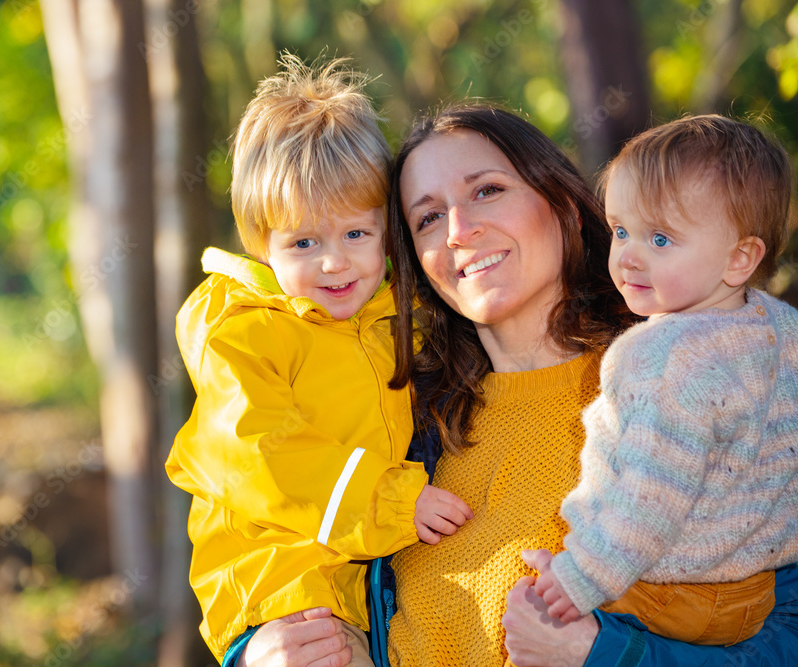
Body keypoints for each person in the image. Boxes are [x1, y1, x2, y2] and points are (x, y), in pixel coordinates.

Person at [231, 104, 798, 667]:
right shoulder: (403, 425)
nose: (458, 231)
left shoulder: (702, 381)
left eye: (487, 191)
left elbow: (785, 638)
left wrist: (601, 654)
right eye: (427, 218)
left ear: (567, 209)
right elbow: (257, 534)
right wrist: (256, 649)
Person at [164, 54, 471, 666]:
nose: (334, 262)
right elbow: (260, 453)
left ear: (386, 230)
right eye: (304, 242)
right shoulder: (243, 331)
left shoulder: (395, 317)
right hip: (279, 588)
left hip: (364, 588)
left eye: (355, 235)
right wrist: (390, 501)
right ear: (261, 242)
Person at [527, 115, 798, 646]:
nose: (628, 255)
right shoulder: (782, 328)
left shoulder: (663, 356)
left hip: (673, 592)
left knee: (530, 614)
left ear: (740, 257)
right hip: (756, 593)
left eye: (660, 238)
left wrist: (580, 577)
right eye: (622, 230)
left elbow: (651, 499)